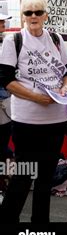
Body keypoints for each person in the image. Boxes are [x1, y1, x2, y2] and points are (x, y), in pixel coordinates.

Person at [0, 0, 67, 222]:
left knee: (45, 177)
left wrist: (64, 88)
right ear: (22, 16)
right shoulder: (13, 41)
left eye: (38, 12)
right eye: (28, 12)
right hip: (27, 122)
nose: (33, 16)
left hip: (56, 119)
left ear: (45, 15)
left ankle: (40, 226)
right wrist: (36, 97)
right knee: (23, 177)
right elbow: (5, 79)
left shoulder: (56, 39)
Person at [0, 13, 13, 193]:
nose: (3, 24)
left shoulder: (8, 43)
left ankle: (2, 182)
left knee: (3, 143)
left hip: (6, 102)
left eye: (3, 21)